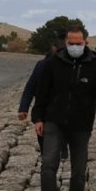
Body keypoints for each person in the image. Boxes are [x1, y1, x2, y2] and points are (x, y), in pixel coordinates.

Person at [31, 25, 96, 191]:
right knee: (48, 166)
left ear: (86, 43)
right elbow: (42, 91)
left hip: (81, 125)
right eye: (71, 43)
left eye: (79, 43)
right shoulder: (53, 63)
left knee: (78, 171)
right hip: (54, 121)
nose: (75, 46)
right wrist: (38, 118)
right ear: (66, 43)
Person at [18, 32, 68, 160]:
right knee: (44, 141)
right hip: (44, 111)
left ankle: (62, 149)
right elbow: (30, 86)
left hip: (64, 112)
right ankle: (47, 160)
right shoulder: (42, 65)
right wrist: (23, 108)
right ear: (54, 49)